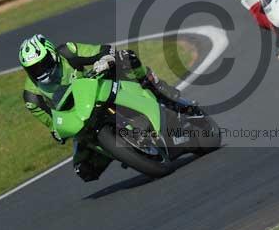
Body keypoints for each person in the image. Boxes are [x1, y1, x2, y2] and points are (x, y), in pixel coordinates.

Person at [19, 34, 186, 182]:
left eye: (44, 63)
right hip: (79, 118)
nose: (41, 71)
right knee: (84, 170)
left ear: (52, 53)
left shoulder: (68, 52)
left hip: (97, 89)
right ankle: (126, 151)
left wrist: (104, 60)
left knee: (126, 57)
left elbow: (104, 50)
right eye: (34, 69)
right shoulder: (32, 97)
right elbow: (53, 126)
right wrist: (58, 131)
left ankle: (157, 87)